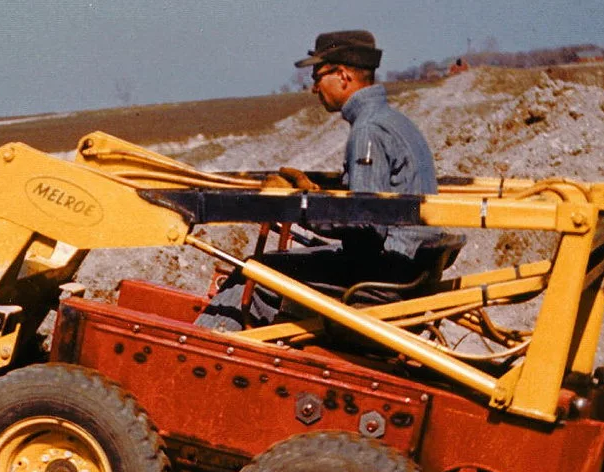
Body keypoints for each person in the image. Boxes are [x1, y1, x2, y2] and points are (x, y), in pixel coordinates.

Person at [195, 30, 457, 332]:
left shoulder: (368, 131)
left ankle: (195, 348)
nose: (313, 89)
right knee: (266, 265)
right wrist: (316, 194)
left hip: (384, 273)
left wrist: (296, 207)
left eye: (317, 77)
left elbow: (365, 222)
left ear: (343, 75)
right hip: (403, 267)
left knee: (254, 273)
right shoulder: (392, 121)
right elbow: (372, 203)